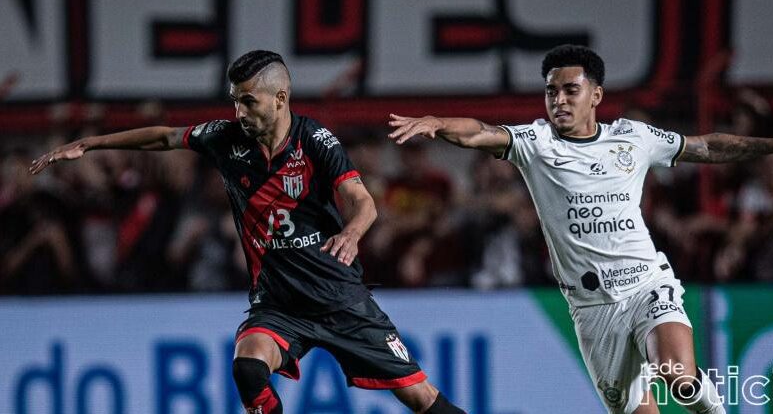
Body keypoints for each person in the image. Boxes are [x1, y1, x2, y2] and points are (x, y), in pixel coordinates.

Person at [30, 50, 465, 414]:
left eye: (249, 101)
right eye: (235, 101)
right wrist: (90, 144)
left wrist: (351, 234)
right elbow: (164, 138)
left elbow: (363, 202)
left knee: (420, 397)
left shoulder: (316, 141)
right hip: (279, 305)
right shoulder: (226, 139)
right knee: (248, 367)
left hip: (339, 298)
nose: (239, 112)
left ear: (280, 98)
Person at [388, 45, 773, 413]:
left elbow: (706, 147)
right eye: (551, 91)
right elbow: (478, 132)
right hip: (592, 309)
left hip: (645, 284)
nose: (559, 100)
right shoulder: (535, 143)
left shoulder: (633, 138)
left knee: (675, 375)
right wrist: (438, 123)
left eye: (570, 90)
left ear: (596, 95)